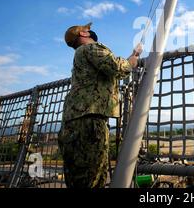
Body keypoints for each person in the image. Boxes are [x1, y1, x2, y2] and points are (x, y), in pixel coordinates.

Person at [58, 22, 142, 188]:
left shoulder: (80, 57)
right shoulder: (90, 48)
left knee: (77, 179)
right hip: (90, 120)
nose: (90, 31)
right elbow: (116, 67)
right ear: (83, 34)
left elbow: (105, 70)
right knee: (94, 178)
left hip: (73, 120)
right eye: (87, 29)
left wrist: (129, 57)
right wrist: (133, 60)